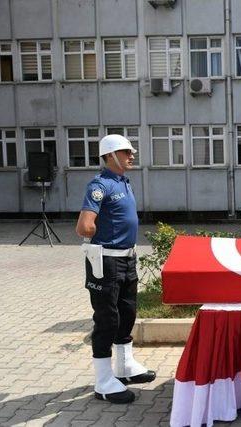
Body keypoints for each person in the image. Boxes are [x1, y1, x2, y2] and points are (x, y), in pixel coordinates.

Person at [76, 134, 155, 404]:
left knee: (127, 312)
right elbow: (85, 226)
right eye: (125, 152)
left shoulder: (124, 181)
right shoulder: (99, 185)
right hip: (106, 261)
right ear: (109, 156)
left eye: (131, 151)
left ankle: (124, 367)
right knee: (107, 319)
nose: (131, 155)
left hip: (127, 258)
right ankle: (103, 381)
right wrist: (101, 238)